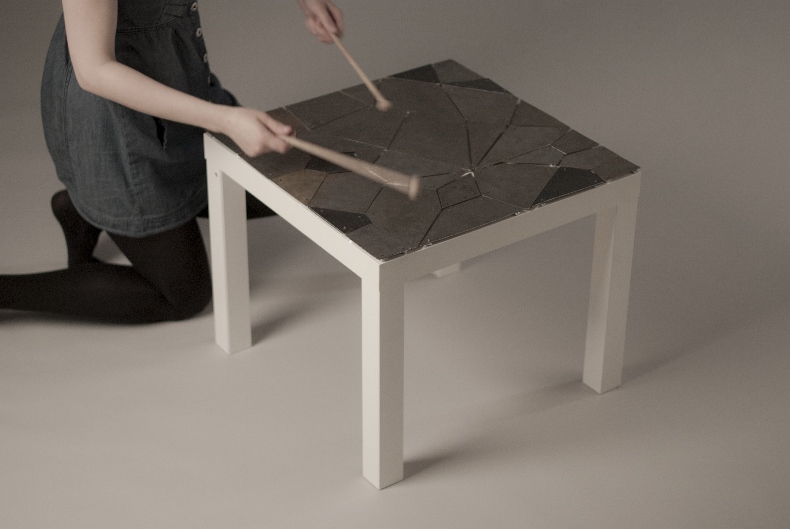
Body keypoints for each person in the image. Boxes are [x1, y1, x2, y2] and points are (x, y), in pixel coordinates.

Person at [0, 0, 343, 323]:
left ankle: (79, 210)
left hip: (178, 86)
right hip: (111, 123)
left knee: (294, 182)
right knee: (184, 295)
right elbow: (93, 69)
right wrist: (223, 120)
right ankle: (6, 290)